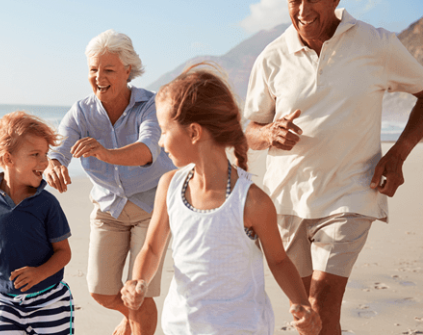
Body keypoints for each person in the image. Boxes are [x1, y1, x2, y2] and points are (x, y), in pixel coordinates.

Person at [243, 1, 423, 333]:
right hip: (284, 201)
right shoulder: (272, 56)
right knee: (309, 319)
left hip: (351, 194)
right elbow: (250, 130)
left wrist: (398, 154)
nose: (302, 9)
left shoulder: (375, 43)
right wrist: (269, 133)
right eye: (294, 0)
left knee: (322, 307)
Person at [120, 63, 321, 335]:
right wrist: (137, 281)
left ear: (193, 132)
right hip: (182, 326)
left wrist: (301, 303)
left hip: (240, 327)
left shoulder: (251, 202)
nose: (161, 141)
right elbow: (153, 249)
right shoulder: (169, 185)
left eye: (165, 131)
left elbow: (279, 261)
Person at [45, 29, 175, 335]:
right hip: (109, 208)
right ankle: (131, 317)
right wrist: (54, 167)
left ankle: (138, 319)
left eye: (108, 70)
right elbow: (58, 149)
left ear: (128, 70)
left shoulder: (149, 106)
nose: (99, 77)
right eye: (93, 70)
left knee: (138, 291)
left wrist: (105, 153)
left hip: (151, 207)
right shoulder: (81, 112)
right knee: (100, 291)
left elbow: (147, 151)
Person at [0, 111, 74, 335]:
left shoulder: (47, 204)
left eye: (45, 154)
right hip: (3, 301)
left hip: (49, 301)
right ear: (9, 159)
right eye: (35, 154)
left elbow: (63, 253)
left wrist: (39, 273)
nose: (44, 162)